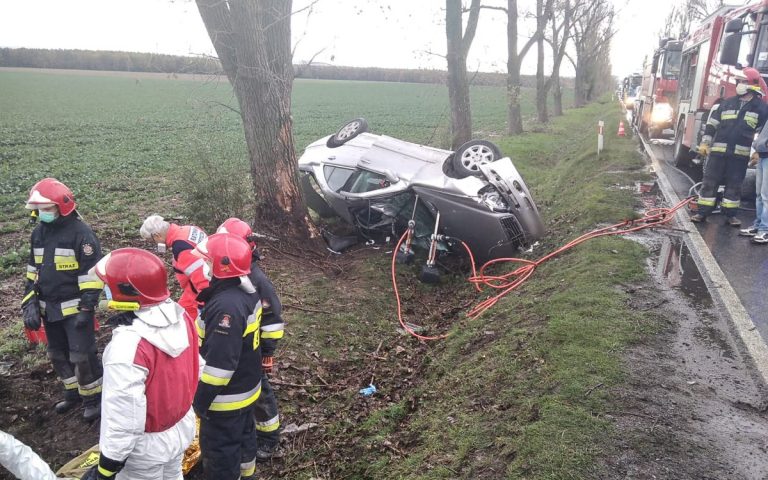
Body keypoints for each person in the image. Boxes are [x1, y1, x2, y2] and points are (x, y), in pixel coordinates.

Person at [81, 248, 198, 480]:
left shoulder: (127, 346)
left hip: (143, 451)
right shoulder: (181, 316)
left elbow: (124, 416)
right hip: (181, 428)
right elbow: (197, 368)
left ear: (124, 291)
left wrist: (106, 468)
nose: (104, 291)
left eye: (107, 285)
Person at [21, 178, 103, 421]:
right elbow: (31, 272)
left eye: (47, 209)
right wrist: (29, 303)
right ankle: (72, 393)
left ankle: (93, 398)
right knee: (57, 354)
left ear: (62, 206)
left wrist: (87, 309)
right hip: (49, 309)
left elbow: (92, 275)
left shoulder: (82, 235)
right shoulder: (38, 234)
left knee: (82, 356)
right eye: (40, 210)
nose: (42, 214)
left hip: (76, 308)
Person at [193, 233, 264, 480]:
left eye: (208, 261)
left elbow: (220, 368)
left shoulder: (226, 307)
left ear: (222, 267)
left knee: (221, 454)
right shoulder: (245, 290)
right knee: (245, 440)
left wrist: (199, 403)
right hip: (247, 389)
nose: (205, 266)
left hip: (226, 399)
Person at [217, 218, 284, 461]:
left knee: (261, 391)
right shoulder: (236, 272)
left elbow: (273, 319)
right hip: (241, 343)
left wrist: (267, 351)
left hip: (254, 347)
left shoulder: (257, 279)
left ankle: (269, 437)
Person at [692, 67, 768, 225]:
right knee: (709, 183)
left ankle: (730, 215)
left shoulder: (761, 108)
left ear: (751, 84)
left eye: (742, 81)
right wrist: (705, 143)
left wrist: (758, 152)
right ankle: (702, 213)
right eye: (738, 81)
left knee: (734, 186)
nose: (738, 84)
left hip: (739, 156)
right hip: (717, 154)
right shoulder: (727, 103)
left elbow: (763, 133)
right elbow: (712, 124)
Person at [139, 215, 208, 320]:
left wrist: (203, 307)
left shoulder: (181, 248)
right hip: (195, 288)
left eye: (152, 241)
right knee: (180, 313)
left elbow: (203, 279)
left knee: (184, 320)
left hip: (200, 293)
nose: (154, 244)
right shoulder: (188, 229)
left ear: (157, 236)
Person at [740, 125, 768, 244]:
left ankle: (765, 229)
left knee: (766, 195)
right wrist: (758, 149)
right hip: (763, 155)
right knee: (759, 194)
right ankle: (758, 225)